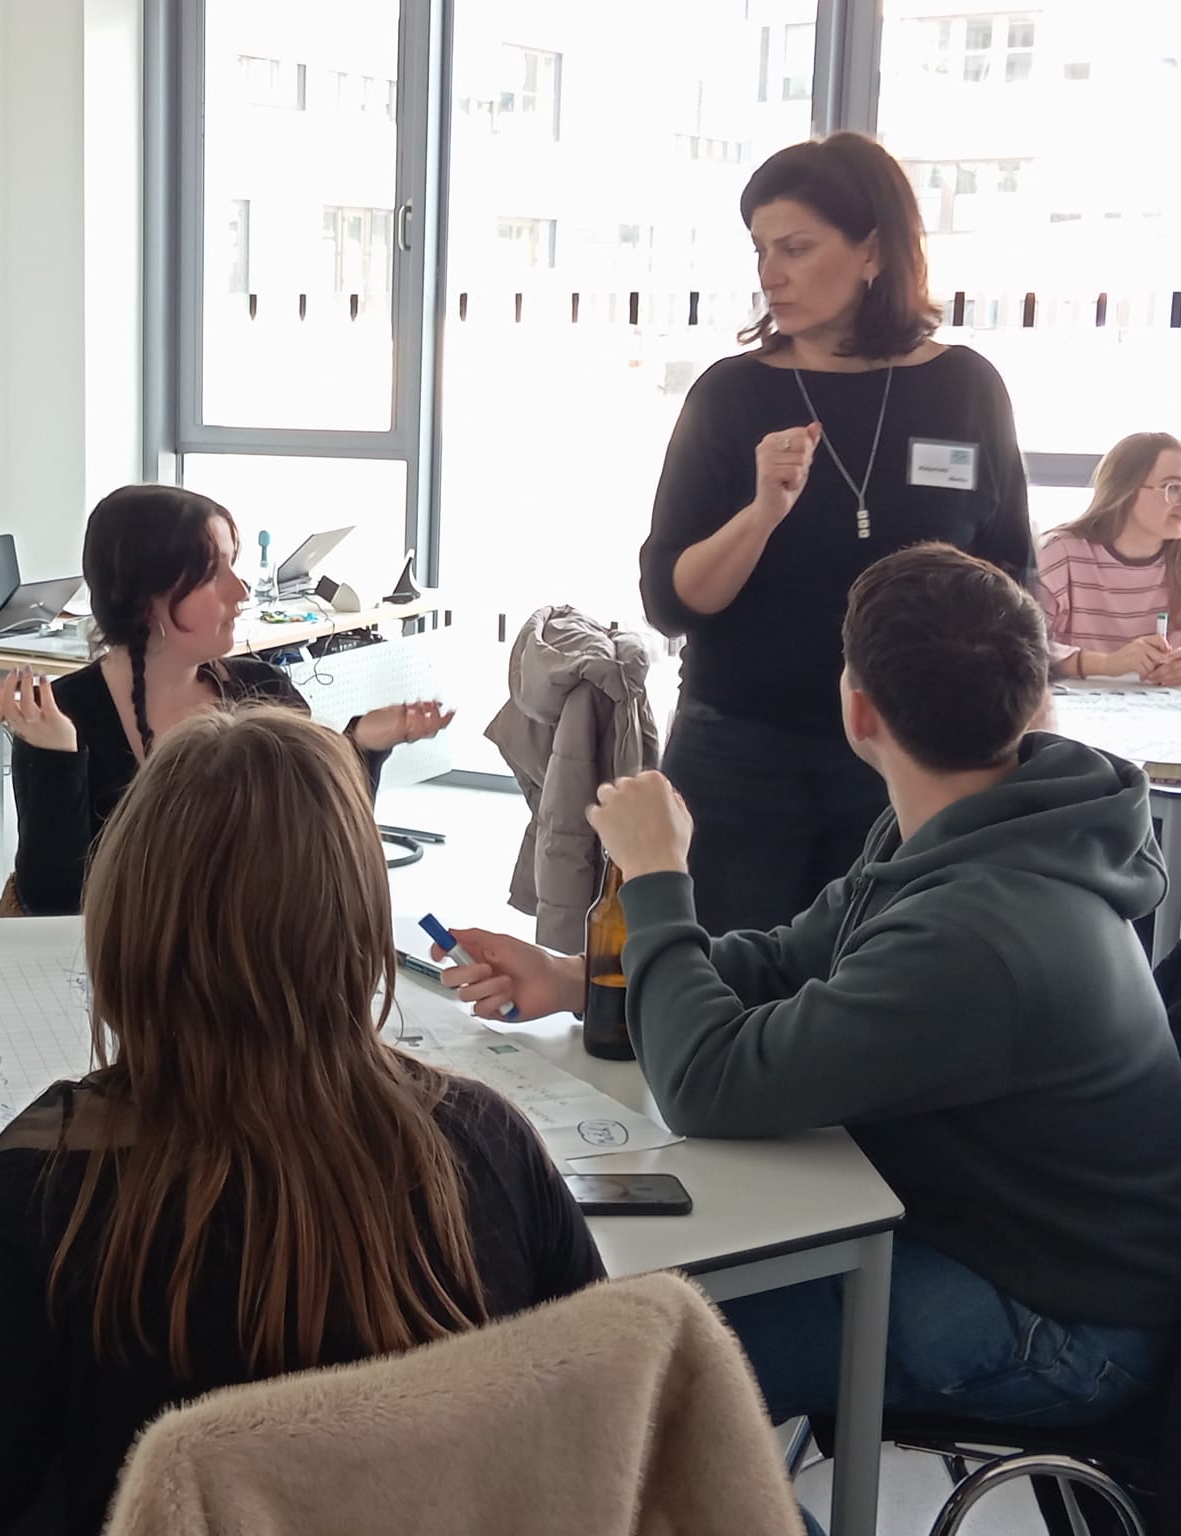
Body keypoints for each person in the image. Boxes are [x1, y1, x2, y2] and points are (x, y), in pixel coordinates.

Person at [442, 545, 1181, 1431]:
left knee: (609, 1372)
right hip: (993, 1236)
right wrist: (576, 979)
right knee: (619, 1309)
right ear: (1031, 700)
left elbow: (708, 1084)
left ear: (858, 711)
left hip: (1061, 1323)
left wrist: (656, 877)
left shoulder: (979, 933)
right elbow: (786, 960)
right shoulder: (982, 822)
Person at [0, 706, 605, 1534]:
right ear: (356, 927)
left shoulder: (47, 1190)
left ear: (125, 925)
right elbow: (606, 1417)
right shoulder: (488, 1145)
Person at [640, 132, 1036, 935]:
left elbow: (1011, 582)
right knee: (724, 979)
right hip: (741, 748)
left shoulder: (964, 388)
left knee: (886, 978)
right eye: (760, 250)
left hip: (916, 756)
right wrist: (763, 511)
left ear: (873, 251)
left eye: (795, 247)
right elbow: (670, 602)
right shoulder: (731, 395)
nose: (770, 274)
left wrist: (1024, 742)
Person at [0, 484, 451, 916]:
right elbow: (53, 903)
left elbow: (322, 848)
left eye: (233, 565)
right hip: (125, 966)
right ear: (145, 595)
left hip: (249, 957)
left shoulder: (264, 691)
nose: (240, 590)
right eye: (213, 573)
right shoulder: (64, 714)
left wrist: (362, 746)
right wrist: (55, 758)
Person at [1039, 431, 1181, 682]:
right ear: (1127, 489)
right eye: (1175, 488)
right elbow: (1019, 645)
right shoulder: (1060, 553)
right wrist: (1107, 663)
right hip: (1073, 702)